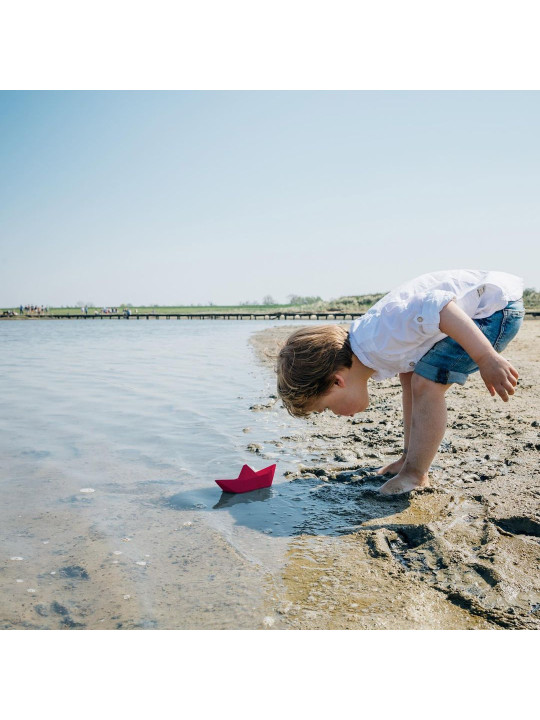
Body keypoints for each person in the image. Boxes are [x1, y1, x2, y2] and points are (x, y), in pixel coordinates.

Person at [276, 270, 524, 495]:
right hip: (485, 310)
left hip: (493, 310)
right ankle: (409, 461)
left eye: (327, 408)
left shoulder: (381, 336)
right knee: (410, 378)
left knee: (425, 384)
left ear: (337, 382)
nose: (336, 414)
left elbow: (441, 307)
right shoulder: (371, 351)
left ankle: (416, 474)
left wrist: (486, 357)